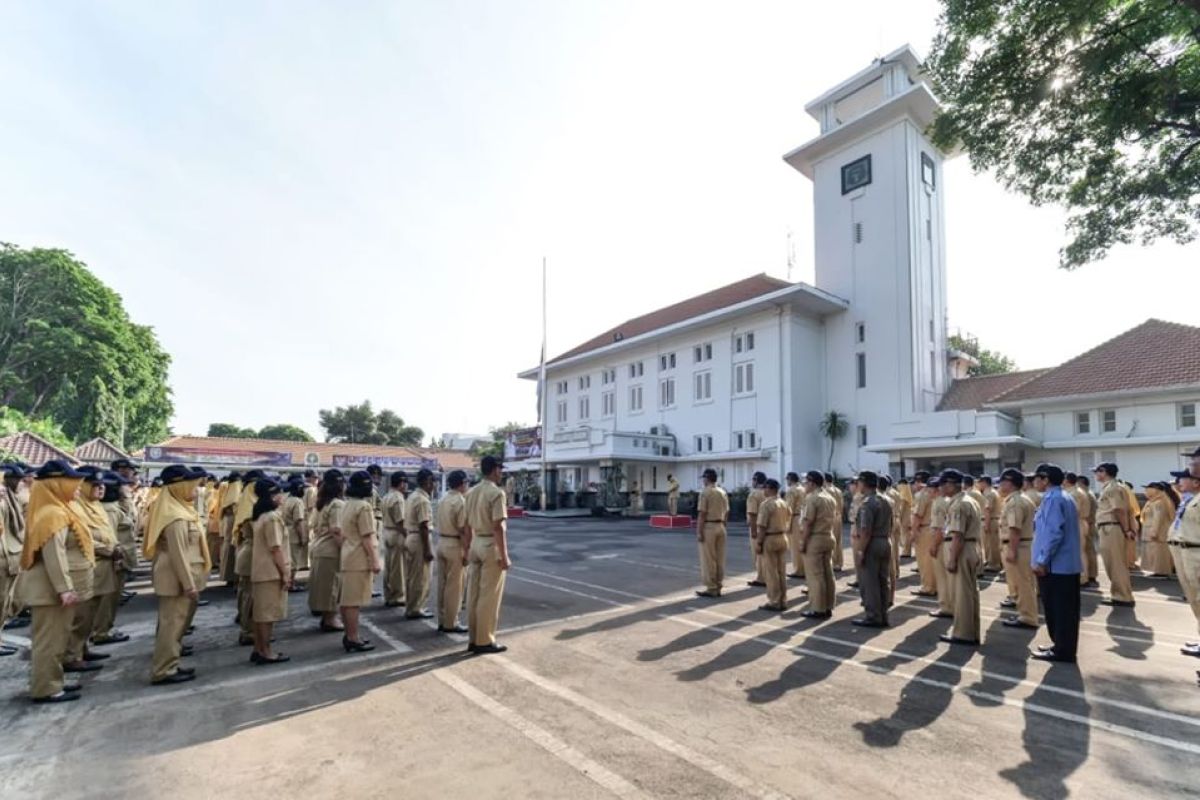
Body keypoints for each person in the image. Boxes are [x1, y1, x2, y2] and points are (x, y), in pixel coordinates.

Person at [18, 461, 91, 702]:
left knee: (56, 641)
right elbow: (55, 556)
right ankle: (46, 689)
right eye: (73, 483)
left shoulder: (56, 509)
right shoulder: (53, 514)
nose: (78, 488)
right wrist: (65, 589)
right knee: (49, 643)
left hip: (50, 589)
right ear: (57, 484)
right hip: (50, 590)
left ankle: (53, 681)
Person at [144, 464, 209, 685]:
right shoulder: (174, 515)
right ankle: (164, 670)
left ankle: (170, 664)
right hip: (176, 577)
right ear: (180, 487)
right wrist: (189, 584)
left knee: (174, 624)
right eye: (191, 485)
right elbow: (179, 554)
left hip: (178, 576)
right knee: (171, 624)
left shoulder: (178, 509)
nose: (195, 489)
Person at [63, 468, 114, 674]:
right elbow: (82, 537)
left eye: (102, 485)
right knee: (80, 615)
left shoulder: (96, 506)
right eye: (95, 485)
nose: (100, 488)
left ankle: (82, 649)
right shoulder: (76, 506)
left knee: (91, 613)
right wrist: (109, 549)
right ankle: (72, 656)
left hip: (101, 564)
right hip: (87, 563)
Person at [1030, 463, 1082, 663]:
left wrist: (1042, 560)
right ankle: (1061, 645)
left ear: (1045, 479)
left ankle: (1063, 650)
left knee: (1059, 610)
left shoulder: (1053, 499)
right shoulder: (1063, 497)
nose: (1034, 482)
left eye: (1037, 478)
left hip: (1056, 566)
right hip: (1063, 565)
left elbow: (1052, 533)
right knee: (1063, 611)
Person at [464, 455, 510, 654]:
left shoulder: (471, 492)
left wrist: (467, 549)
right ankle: (485, 640)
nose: (502, 472)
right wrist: (505, 555)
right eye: (500, 468)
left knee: (473, 594)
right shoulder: (496, 493)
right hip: (490, 543)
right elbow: (498, 526)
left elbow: (466, 526)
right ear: (494, 469)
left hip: (476, 542)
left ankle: (474, 638)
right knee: (488, 596)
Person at [938, 469, 982, 646]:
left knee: (961, 594)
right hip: (970, 547)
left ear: (951, 484)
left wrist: (952, 559)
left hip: (961, 549)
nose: (940, 487)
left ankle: (963, 634)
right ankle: (970, 631)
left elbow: (957, 535)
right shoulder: (969, 500)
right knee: (969, 593)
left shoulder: (959, 505)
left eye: (943, 484)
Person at [250, 479, 291, 665]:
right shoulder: (272, 518)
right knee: (267, 616)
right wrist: (285, 573)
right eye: (278, 493)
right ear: (272, 495)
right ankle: (266, 651)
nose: (281, 497)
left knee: (261, 614)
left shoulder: (261, 515)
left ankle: (259, 648)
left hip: (261, 571)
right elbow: (276, 548)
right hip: (270, 572)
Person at [339, 471, 381, 653]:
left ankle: (350, 634)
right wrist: (375, 560)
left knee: (347, 600)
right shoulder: (363, 507)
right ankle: (353, 637)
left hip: (348, 553)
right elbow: (367, 537)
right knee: (353, 601)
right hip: (358, 557)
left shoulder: (347, 504)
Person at [93, 471, 132, 646]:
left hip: (117, 558)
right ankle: (101, 631)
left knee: (111, 598)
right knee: (107, 600)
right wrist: (114, 555)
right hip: (112, 560)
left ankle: (103, 629)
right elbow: (107, 537)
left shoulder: (114, 507)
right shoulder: (108, 510)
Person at [997, 469, 1038, 630]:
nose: (1000, 486)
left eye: (1002, 482)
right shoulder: (1023, 499)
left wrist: (1012, 550)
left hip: (1018, 545)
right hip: (1024, 544)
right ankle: (1025, 614)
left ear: (1009, 483)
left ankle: (1027, 617)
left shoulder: (1015, 502)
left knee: (1023, 584)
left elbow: (1015, 528)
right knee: (1025, 583)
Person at [852, 470, 892, 628]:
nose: (858, 486)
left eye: (859, 482)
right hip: (885, 541)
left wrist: (861, 551)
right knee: (883, 581)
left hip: (872, 543)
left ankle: (873, 616)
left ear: (864, 483)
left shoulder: (867, 503)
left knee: (870, 582)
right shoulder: (885, 500)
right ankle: (883, 615)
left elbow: (866, 531)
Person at [232, 469, 266, 645]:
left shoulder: (246, 501)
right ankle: (249, 631)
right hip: (253, 553)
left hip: (246, 551)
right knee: (251, 596)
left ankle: (246, 625)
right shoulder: (252, 505)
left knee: (245, 593)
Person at [1093, 462, 1135, 606]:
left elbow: (1119, 510)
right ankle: (1120, 594)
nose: (1096, 475)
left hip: (1112, 528)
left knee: (1116, 564)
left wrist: (1126, 530)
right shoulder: (1110, 487)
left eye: (1097, 471)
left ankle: (1122, 596)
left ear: (1104, 472)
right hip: (1109, 528)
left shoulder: (1113, 488)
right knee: (1112, 563)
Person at [308, 469, 345, 633]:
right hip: (330, 549)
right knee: (332, 586)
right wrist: (345, 551)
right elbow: (336, 531)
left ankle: (327, 618)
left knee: (325, 586)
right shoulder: (337, 504)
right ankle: (330, 619)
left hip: (320, 547)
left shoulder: (322, 502)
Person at [1169, 467, 1200, 657]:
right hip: (1186, 552)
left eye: (1183, 478)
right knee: (1195, 601)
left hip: (1196, 553)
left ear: (1196, 482)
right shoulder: (1190, 500)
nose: (1179, 481)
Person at [435, 470, 471, 633]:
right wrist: (467, 551)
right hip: (454, 543)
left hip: (442, 541)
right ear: (462, 483)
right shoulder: (460, 502)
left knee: (443, 585)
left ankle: (442, 619)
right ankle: (451, 622)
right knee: (454, 587)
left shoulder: (443, 499)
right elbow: (463, 529)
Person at [799, 470, 837, 619]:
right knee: (828, 574)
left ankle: (818, 608)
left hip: (815, 538)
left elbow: (808, 522)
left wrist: (803, 542)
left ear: (812, 483)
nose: (805, 486)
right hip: (828, 536)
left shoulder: (812, 498)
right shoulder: (829, 497)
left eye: (806, 483)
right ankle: (828, 606)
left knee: (815, 575)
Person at [0, 464, 28, 656]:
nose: (21, 483)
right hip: (4, 556)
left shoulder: (9, 497)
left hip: (11, 556)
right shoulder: (3, 500)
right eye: (16, 479)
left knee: (5, 602)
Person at [404, 469, 436, 619]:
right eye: (432, 482)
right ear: (427, 481)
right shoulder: (422, 500)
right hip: (419, 539)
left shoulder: (412, 496)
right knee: (420, 577)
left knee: (412, 576)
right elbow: (423, 525)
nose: (434, 485)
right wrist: (428, 549)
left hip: (411, 537)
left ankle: (412, 606)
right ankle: (415, 608)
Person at [754, 479, 790, 612]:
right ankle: (783, 599)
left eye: (765, 488)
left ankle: (774, 600)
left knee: (771, 572)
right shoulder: (783, 503)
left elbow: (762, 526)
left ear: (769, 488)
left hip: (770, 538)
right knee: (781, 571)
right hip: (782, 536)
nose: (763, 490)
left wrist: (759, 543)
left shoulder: (766, 504)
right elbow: (789, 519)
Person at [695, 468, 729, 598]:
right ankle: (718, 584)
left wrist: (699, 531)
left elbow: (702, 513)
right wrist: (723, 525)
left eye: (703, 478)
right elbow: (727, 512)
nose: (703, 481)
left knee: (708, 559)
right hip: (720, 525)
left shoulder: (705, 493)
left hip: (709, 526)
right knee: (720, 558)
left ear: (707, 478)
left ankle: (711, 587)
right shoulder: (722, 492)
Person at [928, 477, 954, 617]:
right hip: (947, 541)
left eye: (930, 489)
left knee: (942, 577)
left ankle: (946, 606)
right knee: (948, 577)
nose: (928, 492)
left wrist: (933, 546)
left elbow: (939, 528)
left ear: (936, 490)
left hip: (941, 543)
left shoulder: (938, 504)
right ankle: (951, 604)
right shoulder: (948, 501)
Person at [1067, 473, 1099, 588]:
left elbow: (1073, 511)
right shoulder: (1080, 492)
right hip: (1083, 523)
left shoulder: (1075, 493)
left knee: (1081, 552)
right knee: (1083, 551)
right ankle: (1085, 576)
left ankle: (1083, 577)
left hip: (1079, 523)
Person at [381, 471, 407, 607]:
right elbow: (400, 521)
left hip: (386, 531)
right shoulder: (398, 498)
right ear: (401, 483)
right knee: (398, 568)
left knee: (389, 566)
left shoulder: (386, 496)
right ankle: (397, 596)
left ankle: (388, 594)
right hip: (396, 533)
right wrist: (407, 536)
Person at [910, 472, 938, 598]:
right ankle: (934, 586)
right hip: (933, 528)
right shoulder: (936, 495)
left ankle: (928, 587)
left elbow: (917, 516)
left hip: (924, 529)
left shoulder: (922, 495)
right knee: (932, 560)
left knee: (924, 561)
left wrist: (913, 532)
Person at [1140, 481, 1177, 578]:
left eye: (1147, 489)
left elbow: (1158, 519)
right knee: (1156, 552)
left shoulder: (1159, 502)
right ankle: (1159, 570)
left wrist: (1154, 532)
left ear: (1155, 490)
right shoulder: (1154, 501)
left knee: (1158, 552)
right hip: (1154, 530)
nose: (1145, 491)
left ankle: (1161, 571)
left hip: (1158, 532)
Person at [281, 478, 308, 590]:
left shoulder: (286, 499)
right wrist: (303, 537)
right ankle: (291, 584)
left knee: (288, 559)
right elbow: (298, 521)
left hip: (285, 532)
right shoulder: (298, 502)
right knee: (294, 561)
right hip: (294, 534)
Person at [217, 472, 242, 586]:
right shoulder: (235, 490)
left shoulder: (228, 490)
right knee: (233, 549)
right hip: (233, 522)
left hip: (228, 522)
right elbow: (236, 507)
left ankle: (229, 577)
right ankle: (232, 577)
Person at [746, 472, 767, 588]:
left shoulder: (754, 495)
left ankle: (761, 577)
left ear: (756, 480)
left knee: (758, 553)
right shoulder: (768, 493)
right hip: (768, 527)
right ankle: (766, 575)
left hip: (758, 526)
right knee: (766, 554)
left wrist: (753, 531)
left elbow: (752, 513)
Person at [784, 472, 807, 580]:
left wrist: (786, 525)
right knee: (801, 544)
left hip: (795, 517)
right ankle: (803, 568)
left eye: (787, 479)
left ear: (790, 479)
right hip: (802, 517)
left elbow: (789, 509)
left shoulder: (791, 491)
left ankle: (799, 570)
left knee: (795, 546)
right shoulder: (803, 488)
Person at [978, 476, 1003, 573]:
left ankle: (993, 563)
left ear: (984, 482)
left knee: (991, 543)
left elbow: (988, 509)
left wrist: (986, 524)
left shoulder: (989, 493)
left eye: (980, 482)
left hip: (990, 520)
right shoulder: (992, 492)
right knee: (991, 543)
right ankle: (993, 561)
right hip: (992, 519)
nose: (979, 485)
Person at [825, 473, 845, 572]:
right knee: (838, 541)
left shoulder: (826, 490)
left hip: (831, 517)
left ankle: (833, 563)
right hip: (839, 516)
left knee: (831, 540)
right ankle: (839, 562)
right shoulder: (838, 490)